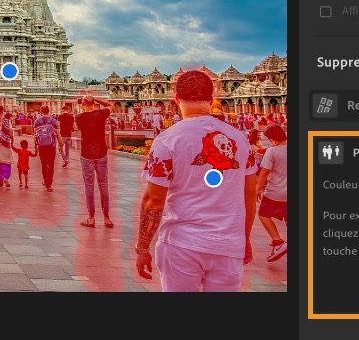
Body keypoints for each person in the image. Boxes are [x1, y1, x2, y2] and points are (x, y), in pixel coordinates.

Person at [134, 69, 259, 291]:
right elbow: (250, 195)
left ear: (176, 99)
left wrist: (142, 247)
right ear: (212, 100)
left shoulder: (168, 140)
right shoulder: (239, 140)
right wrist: (244, 238)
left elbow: (153, 201)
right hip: (227, 244)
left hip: (182, 244)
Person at [75, 95, 114, 228]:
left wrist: (87, 102)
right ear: (94, 103)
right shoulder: (101, 114)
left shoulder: (79, 117)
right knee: (103, 185)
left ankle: (91, 218)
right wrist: (96, 99)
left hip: (87, 154)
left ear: (83, 104)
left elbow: (78, 128)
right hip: (101, 153)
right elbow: (110, 105)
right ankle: (106, 218)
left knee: (89, 186)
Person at [256, 124, 288, 262]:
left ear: (273, 139)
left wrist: (258, 187)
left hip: (275, 192)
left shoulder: (272, 151)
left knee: (263, 214)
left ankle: (278, 241)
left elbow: (265, 171)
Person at [32, 105, 62, 191]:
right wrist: (60, 144)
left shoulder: (37, 121)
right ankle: (49, 183)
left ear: (41, 111)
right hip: (51, 145)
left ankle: (45, 181)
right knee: (51, 164)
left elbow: (35, 135)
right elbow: (58, 134)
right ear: (49, 111)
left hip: (41, 146)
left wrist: (35, 147)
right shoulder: (54, 121)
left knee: (44, 164)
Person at [58, 104, 75, 168]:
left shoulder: (60, 116)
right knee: (67, 149)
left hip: (62, 135)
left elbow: (58, 126)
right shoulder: (71, 117)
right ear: (68, 110)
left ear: (63, 110)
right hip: (69, 135)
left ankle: (65, 159)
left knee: (60, 148)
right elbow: (73, 127)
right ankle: (67, 159)